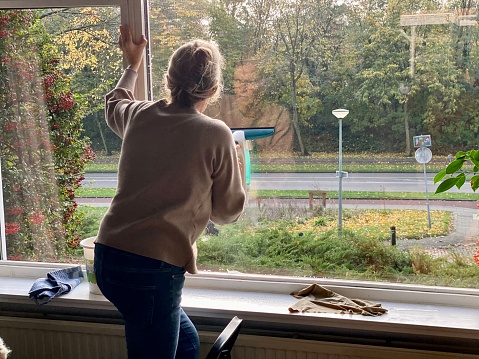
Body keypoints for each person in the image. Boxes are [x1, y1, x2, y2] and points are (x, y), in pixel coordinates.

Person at [94, 24, 246, 359]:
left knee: (187, 345)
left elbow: (114, 103)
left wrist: (132, 63)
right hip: (150, 269)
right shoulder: (215, 133)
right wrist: (240, 165)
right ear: (214, 89)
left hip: (108, 258)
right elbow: (228, 212)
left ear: (169, 81)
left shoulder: (140, 114)